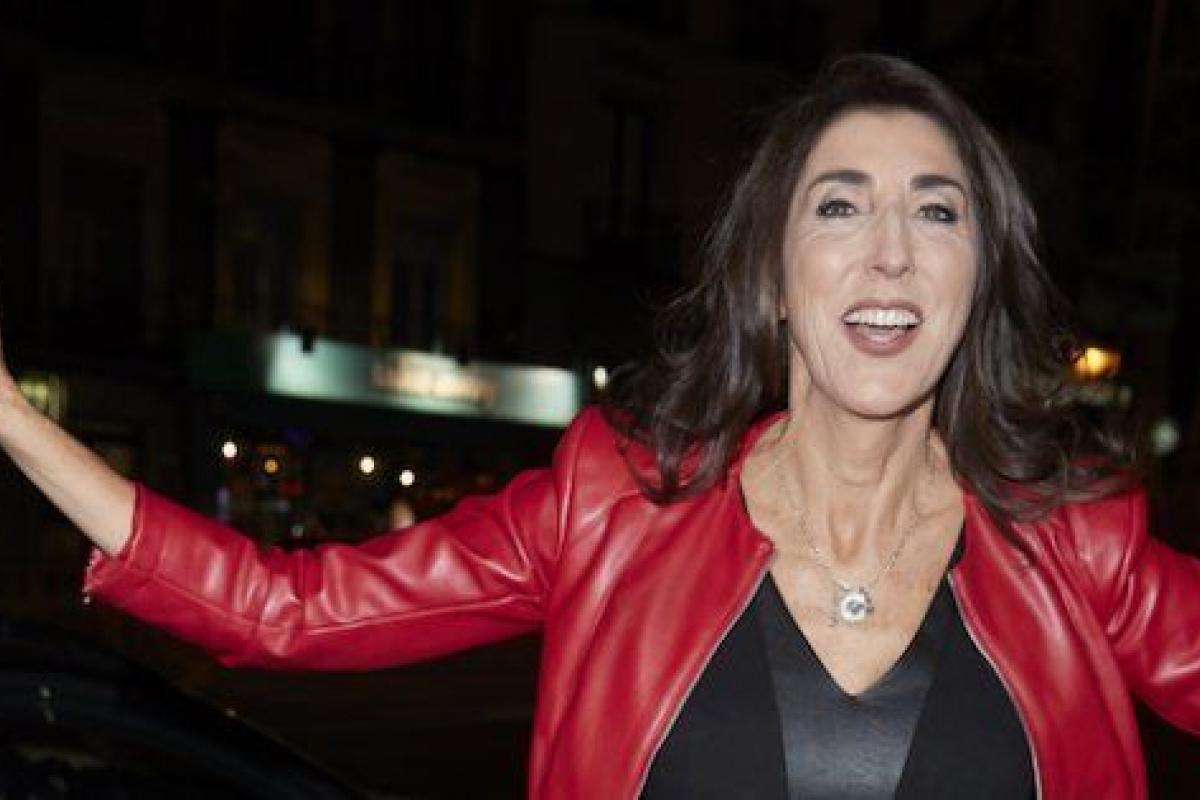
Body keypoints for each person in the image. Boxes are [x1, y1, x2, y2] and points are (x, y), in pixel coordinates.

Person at [1, 54, 1197, 799]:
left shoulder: (1078, 546)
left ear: (977, 280)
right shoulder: (614, 503)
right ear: (774, 275)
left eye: (938, 213)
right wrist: (10, 416)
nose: (891, 250)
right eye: (840, 206)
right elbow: (287, 608)